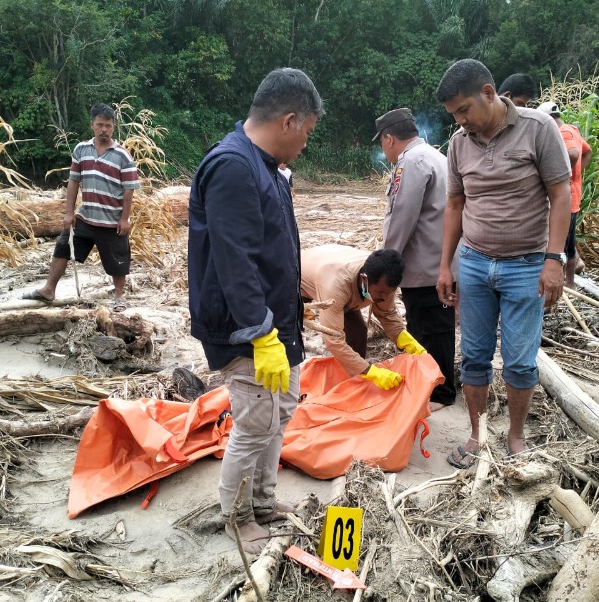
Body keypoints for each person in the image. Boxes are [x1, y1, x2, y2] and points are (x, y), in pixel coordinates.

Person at [188, 68, 323, 554]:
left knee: (278, 414)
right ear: (289, 120)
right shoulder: (233, 167)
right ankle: (237, 515)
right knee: (254, 423)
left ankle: (263, 501)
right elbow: (234, 258)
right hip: (247, 328)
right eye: (307, 132)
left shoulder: (263, 167)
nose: (306, 142)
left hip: (275, 322)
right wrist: (260, 335)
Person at [434, 59, 571, 466]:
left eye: (464, 110)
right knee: (474, 356)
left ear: (489, 93)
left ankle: (515, 436)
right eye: (454, 115)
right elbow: (455, 205)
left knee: (520, 360)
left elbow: (560, 196)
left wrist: (553, 259)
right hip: (475, 264)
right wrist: (446, 266)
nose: (460, 121)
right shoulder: (459, 143)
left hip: (527, 266)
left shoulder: (538, 128)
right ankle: (476, 436)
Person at [373, 107, 457, 412]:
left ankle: (440, 391)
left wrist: (386, 264)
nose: (383, 149)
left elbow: (402, 216)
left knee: (429, 330)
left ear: (390, 138)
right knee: (437, 327)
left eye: (381, 142)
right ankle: (437, 384)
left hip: (424, 266)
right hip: (438, 262)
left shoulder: (413, 162)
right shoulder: (434, 156)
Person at [22, 103, 140, 311]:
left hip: (111, 221)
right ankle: (49, 289)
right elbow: (73, 182)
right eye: (100, 125)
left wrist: (124, 218)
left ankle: (119, 298)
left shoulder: (123, 156)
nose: (104, 130)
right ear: (92, 125)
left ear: (114, 127)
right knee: (63, 246)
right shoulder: (81, 150)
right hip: (85, 217)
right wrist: (69, 213)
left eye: (109, 126)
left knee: (118, 258)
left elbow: (129, 190)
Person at [301, 244, 426, 389]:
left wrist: (404, 339)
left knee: (358, 332)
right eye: (381, 292)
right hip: (298, 278)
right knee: (290, 336)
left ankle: (353, 383)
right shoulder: (336, 287)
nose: (385, 297)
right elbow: (333, 340)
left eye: (390, 292)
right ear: (364, 279)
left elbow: (386, 314)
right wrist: (371, 371)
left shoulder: (382, 276)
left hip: (332, 264)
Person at [537, 102, 593, 288]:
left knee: (563, 244)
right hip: (572, 194)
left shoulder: (563, 133)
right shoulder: (572, 129)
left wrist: (560, 176)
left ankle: (567, 284)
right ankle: (569, 281)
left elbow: (575, 153)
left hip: (565, 199)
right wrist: (576, 175)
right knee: (568, 241)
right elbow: (588, 151)